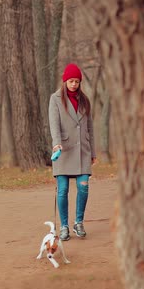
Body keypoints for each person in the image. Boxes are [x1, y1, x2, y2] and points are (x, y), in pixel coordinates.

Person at [49, 63, 96, 241]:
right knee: (63, 190)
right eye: (71, 81)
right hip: (63, 150)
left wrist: (93, 151)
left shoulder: (85, 100)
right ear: (65, 81)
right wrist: (56, 144)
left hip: (83, 150)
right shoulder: (55, 99)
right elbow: (54, 124)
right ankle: (64, 226)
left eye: (76, 81)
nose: (74, 84)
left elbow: (90, 127)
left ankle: (78, 222)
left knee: (83, 187)